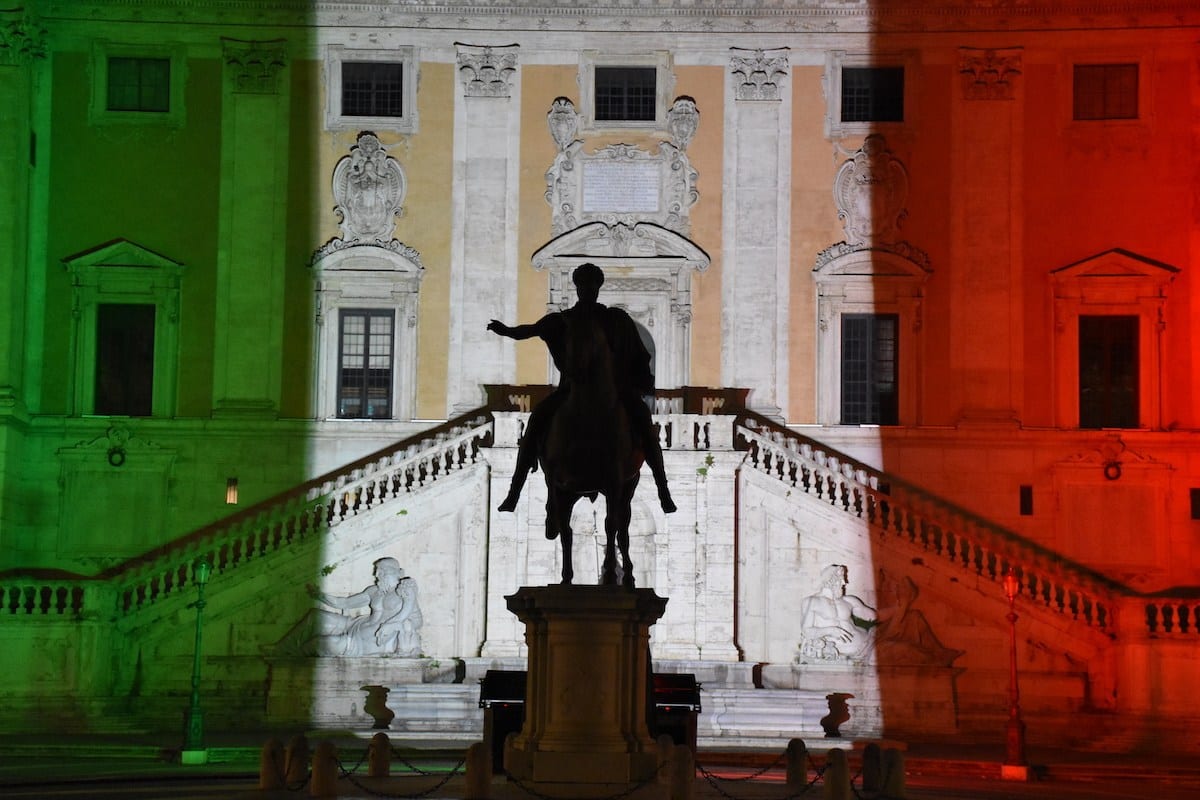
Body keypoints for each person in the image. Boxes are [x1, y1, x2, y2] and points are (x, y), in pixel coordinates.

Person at [487, 263, 676, 515]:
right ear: (577, 288)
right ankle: (514, 492)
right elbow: (530, 330)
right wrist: (506, 331)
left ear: (598, 288)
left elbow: (638, 353)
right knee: (537, 421)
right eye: (583, 285)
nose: (588, 290)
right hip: (571, 389)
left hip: (615, 391)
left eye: (592, 285)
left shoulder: (615, 319)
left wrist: (637, 381)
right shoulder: (564, 319)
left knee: (644, 423)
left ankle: (663, 489)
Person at [271, 557, 423, 657]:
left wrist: (394, 625)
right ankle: (282, 649)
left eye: (380, 572)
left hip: (362, 643)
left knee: (319, 644)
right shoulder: (374, 591)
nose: (376, 575)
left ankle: (292, 659)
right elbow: (343, 603)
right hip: (354, 625)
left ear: (392, 573)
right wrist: (320, 595)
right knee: (316, 616)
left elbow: (415, 619)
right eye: (377, 572)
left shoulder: (405, 590)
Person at [798, 564, 877, 662]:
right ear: (830, 581)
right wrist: (830, 630)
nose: (844, 583)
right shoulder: (812, 601)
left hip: (867, 642)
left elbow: (872, 616)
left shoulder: (849, 600)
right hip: (838, 649)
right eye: (840, 580)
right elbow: (806, 631)